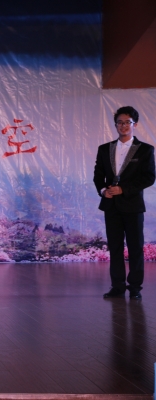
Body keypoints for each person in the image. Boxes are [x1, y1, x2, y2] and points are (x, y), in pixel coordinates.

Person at [94, 106, 155, 299]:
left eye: (127, 122)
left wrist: (123, 189)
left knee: (135, 247)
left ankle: (135, 287)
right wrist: (103, 190)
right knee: (115, 247)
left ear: (135, 124)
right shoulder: (105, 149)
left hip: (133, 206)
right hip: (111, 206)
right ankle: (117, 286)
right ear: (115, 125)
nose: (123, 126)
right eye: (119, 122)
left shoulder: (145, 150)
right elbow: (98, 176)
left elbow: (149, 177)